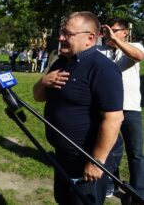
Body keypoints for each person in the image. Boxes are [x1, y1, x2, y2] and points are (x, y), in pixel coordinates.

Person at [33, 11, 124, 205]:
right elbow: (38, 97)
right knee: (64, 200)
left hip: (87, 158)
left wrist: (96, 162)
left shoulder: (102, 68)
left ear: (90, 38)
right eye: (61, 33)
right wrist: (43, 81)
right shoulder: (60, 63)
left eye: (68, 34)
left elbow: (114, 119)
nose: (61, 38)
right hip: (63, 155)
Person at [98, 18, 144, 200]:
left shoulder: (136, 45)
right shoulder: (101, 51)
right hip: (108, 109)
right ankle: (111, 183)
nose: (108, 34)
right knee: (110, 149)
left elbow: (137, 56)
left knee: (135, 152)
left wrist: (116, 41)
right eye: (106, 31)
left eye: (113, 30)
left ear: (124, 32)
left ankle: (139, 190)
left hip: (131, 107)